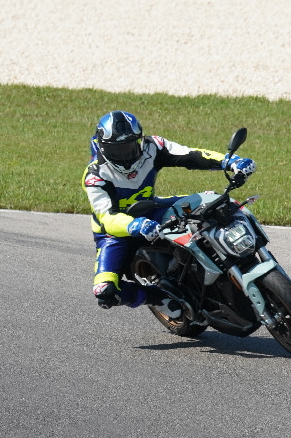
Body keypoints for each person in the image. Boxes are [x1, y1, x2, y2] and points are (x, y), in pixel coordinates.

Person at [82, 110, 255, 312]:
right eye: (117, 151)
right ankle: (159, 298)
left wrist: (230, 162)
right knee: (104, 291)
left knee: (213, 204)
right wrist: (134, 225)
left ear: (139, 140)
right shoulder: (95, 175)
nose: (126, 155)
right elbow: (107, 218)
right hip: (115, 233)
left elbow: (192, 155)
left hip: (152, 209)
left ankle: (228, 260)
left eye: (130, 147)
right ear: (103, 147)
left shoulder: (152, 147)